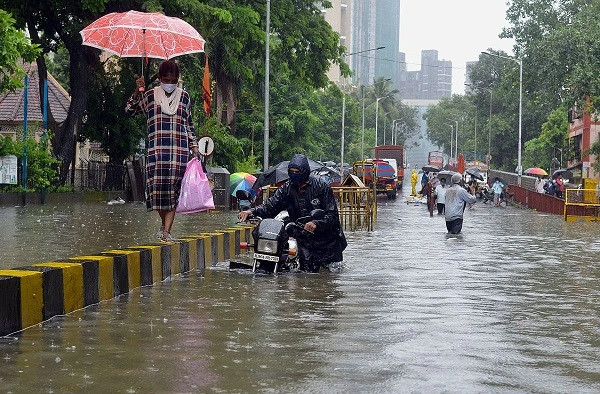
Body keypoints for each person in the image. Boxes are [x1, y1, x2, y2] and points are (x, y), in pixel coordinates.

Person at [126, 60, 199, 242]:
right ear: (160, 79)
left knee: (174, 193)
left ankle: (166, 232)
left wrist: (194, 146)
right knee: (156, 193)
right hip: (156, 154)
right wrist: (137, 90)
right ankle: (163, 224)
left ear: (177, 80)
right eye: (166, 79)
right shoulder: (149, 96)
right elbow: (129, 110)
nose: (170, 83)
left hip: (179, 152)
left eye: (173, 80)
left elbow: (188, 124)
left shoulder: (185, 97)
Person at [238, 154, 347, 273]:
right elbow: (270, 206)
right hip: (304, 238)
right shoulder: (287, 188)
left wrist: (316, 223)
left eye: (297, 172)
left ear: (305, 171)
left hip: (327, 241)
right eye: (292, 171)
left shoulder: (321, 186)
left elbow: (332, 215)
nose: (294, 174)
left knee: (329, 277)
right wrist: (251, 211)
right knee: (306, 274)